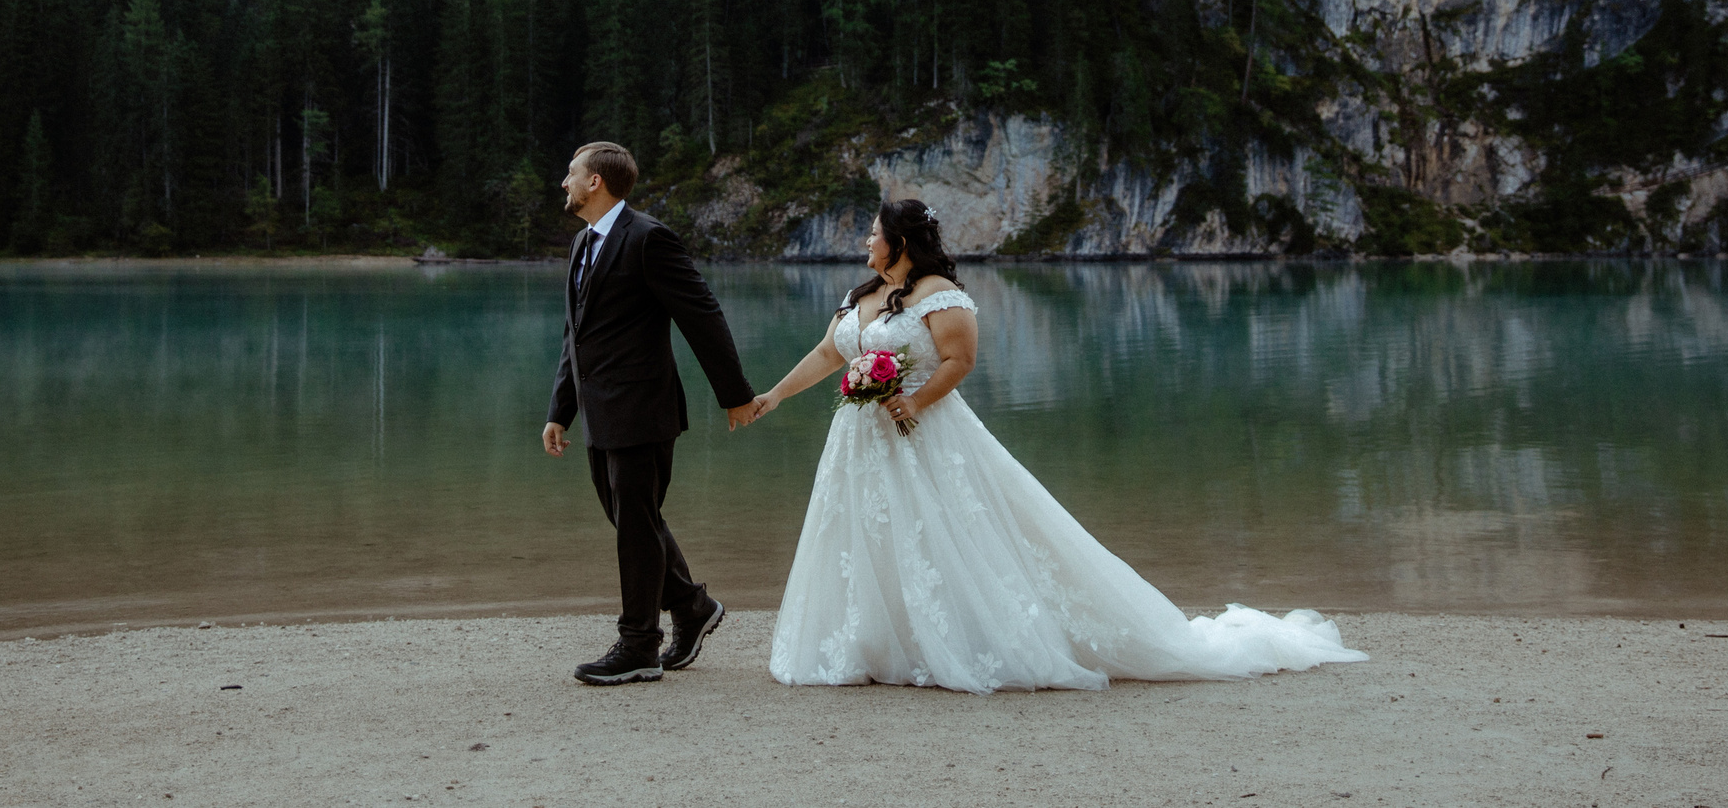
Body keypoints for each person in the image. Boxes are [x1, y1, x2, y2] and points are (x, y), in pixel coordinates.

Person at [740, 197, 1367, 692]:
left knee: (949, 534)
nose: (864, 242)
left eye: (872, 233)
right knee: (868, 538)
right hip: (858, 441)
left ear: (899, 243)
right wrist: (773, 395)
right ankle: (876, 643)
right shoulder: (861, 296)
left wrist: (914, 400)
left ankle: (958, 640)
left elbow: (960, 360)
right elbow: (829, 352)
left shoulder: (938, 295)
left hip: (922, 431)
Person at [543, 140, 762, 685]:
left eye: (571, 174)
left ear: (596, 181)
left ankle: (640, 643)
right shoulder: (581, 245)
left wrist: (734, 393)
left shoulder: (648, 238)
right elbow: (577, 336)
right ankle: (691, 606)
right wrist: (560, 410)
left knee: (635, 526)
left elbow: (701, 313)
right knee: (632, 521)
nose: (564, 183)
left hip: (643, 406)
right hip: (599, 411)